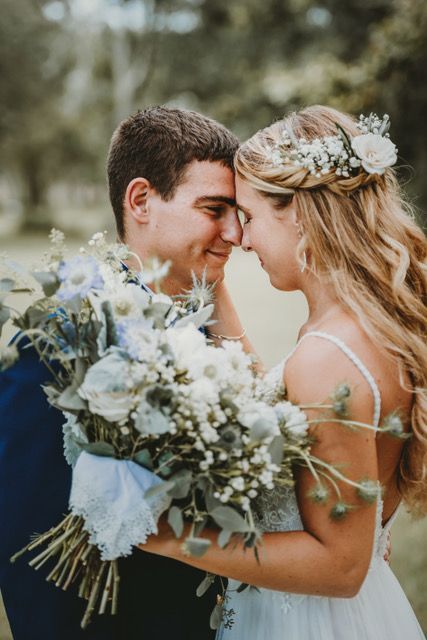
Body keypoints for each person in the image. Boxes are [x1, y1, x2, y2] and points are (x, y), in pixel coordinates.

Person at [140, 105, 427, 639]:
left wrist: (165, 536)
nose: (241, 240)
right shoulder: (354, 327)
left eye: (248, 217)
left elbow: (340, 566)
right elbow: (275, 406)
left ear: (301, 215)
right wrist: (212, 279)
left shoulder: (328, 356)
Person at [0, 106, 247, 640]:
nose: (236, 233)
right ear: (140, 200)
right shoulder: (63, 332)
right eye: (214, 208)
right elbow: (29, 541)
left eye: (239, 213)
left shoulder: (202, 321)